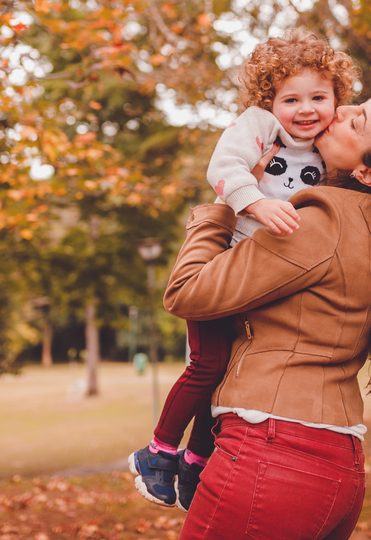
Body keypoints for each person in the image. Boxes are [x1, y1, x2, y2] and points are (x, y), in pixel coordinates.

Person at [162, 95, 371, 540]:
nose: (339, 113)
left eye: (358, 121)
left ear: (367, 172)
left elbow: (186, 292)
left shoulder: (323, 222)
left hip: (271, 453)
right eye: (355, 104)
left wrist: (225, 206)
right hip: (337, 464)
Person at [128, 33, 358, 511]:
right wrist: (252, 200)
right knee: (208, 364)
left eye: (319, 97)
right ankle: (158, 451)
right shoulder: (261, 127)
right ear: (269, 101)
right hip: (224, 262)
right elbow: (224, 163)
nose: (306, 109)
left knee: (231, 372)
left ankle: (195, 461)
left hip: (262, 278)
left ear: (337, 97)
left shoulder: (326, 147)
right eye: (290, 98)